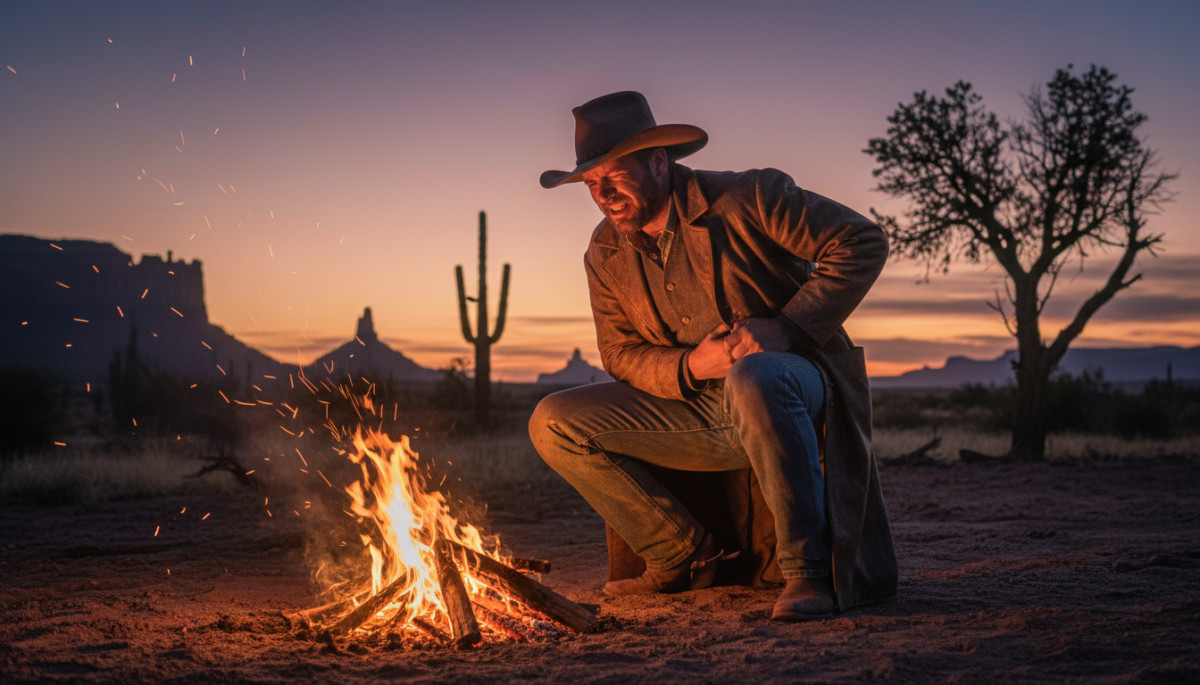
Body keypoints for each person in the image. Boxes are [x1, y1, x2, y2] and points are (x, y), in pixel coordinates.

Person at [529, 91, 896, 620]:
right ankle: (678, 555)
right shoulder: (604, 251)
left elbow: (860, 241)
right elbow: (619, 352)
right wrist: (691, 366)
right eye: (591, 183)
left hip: (794, 388)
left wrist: (787, 328)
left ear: (659, 161)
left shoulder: (749, 196)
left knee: (756, 374)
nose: (603, 193)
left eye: (614, 175)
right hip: (697, 412)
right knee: (552, 422)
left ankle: (807, 573)